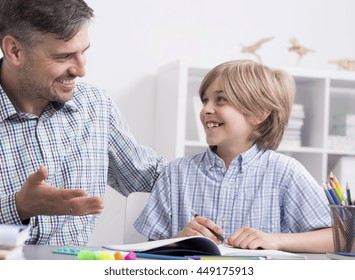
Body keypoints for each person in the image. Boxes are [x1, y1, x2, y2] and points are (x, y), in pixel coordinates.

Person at [0, 0, 165, 245]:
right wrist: (18, 207)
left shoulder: (96, 106)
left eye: (84, 52)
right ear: (15, 51)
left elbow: (149, 178)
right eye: (64, 56)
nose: (81, 70)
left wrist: (228, 152)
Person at [135, 60, 333, 253]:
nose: (206, 110)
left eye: (221, 99)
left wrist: (274, 240)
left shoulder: (286, 172)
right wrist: (180, 240)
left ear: (259, 114)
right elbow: (151, 246)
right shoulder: (176, 173)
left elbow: (335, 238)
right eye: (205, 100)